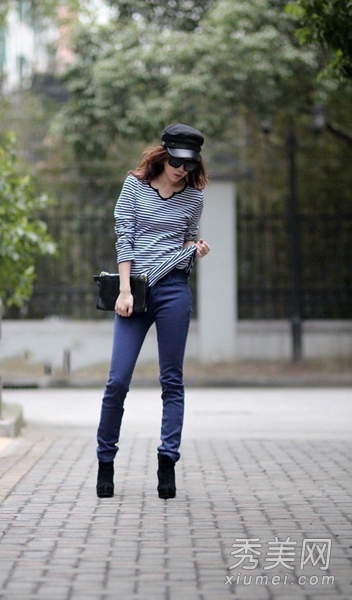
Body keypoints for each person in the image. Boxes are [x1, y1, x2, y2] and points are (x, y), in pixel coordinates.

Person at [96, 123, 211, 499]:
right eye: (177, 162)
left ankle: (167, 461)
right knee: (117, 381)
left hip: (173, 291)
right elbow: (124, 237)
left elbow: (187, 239)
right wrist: (124, 290)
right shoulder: (134, 186)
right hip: (135, 291)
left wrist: (196, 249)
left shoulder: (193, 197)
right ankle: (105, 461)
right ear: (163, 155)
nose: (181, 170)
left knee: (172, 380)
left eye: (189, 164)